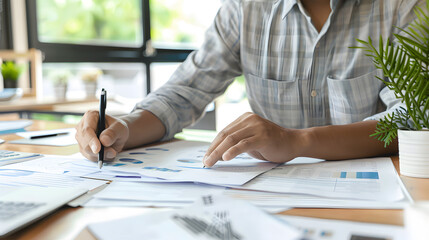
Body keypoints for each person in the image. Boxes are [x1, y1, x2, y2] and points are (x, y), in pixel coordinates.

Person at [75, 0, 424, 167]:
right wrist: (123, 128)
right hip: (270, 200)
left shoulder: (403, 7)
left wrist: (298, 141)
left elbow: (415, 119)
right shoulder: (245, 9)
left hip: (382, 198)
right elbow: (184, 92)